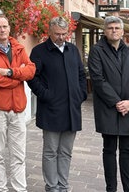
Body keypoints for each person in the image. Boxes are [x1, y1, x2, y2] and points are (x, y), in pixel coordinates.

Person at [27, 16, 88, 192]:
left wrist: (81, 94)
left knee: (66, 151)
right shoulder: (39, 51)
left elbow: (81, 75)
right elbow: (32, 78)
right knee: (50, 151)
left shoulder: (73, 50)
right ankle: (52, 186)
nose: (61, 37)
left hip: (72, 110)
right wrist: (46, 95)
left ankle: (63, 185)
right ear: (49, 32)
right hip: (51, 109)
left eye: (64, 34)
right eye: (57, 34)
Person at [0, 14, 36, 192]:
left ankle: (20, 189)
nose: (2, 30)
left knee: (19, 154)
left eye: (5, 26)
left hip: (18, 109)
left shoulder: (19, 48)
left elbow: (31, 70)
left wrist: (10, 73)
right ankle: (1, 189)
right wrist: (19, 76)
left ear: (9, 28)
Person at [88, 16, 129, 192]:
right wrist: (117, 102)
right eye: (110, 28)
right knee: (109, 150)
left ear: (122, 31)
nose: (114, 30)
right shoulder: (97, 51)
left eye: (117, 28)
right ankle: (111, 188)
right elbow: (98, 80)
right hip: (108, 108)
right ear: (105, 31)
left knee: (128, 151)